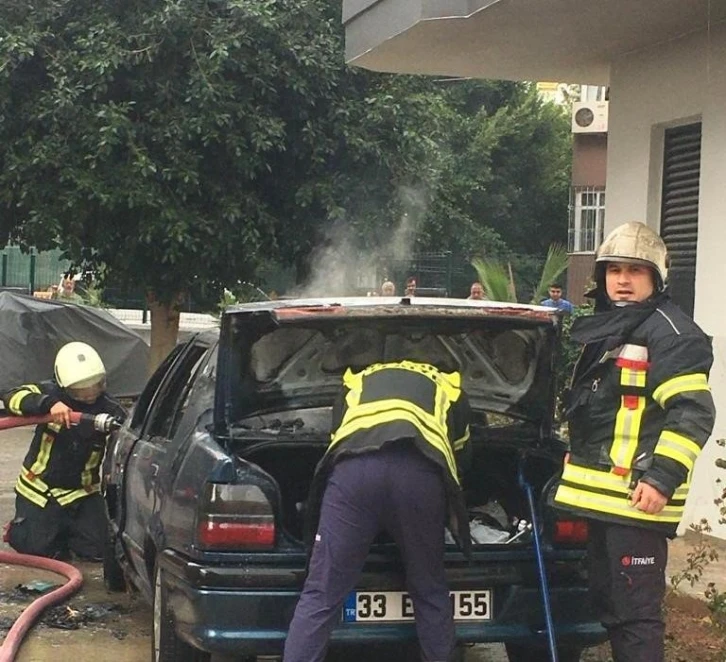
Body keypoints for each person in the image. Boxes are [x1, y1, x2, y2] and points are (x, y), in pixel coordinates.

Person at [551, 222, 716, 662]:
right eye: (614, 269)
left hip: (637, 503)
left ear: (656, 278)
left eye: (636, 271)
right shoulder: (612, 327)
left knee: (636, 618)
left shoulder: (670, 333)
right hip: (603, 501)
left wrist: (661, 479)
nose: (622, 280)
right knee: (612, 610)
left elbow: (693, 410)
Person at [283, 359, 472, 662]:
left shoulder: (356, 380)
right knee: (429, 590)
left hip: (355, 474)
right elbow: (461, 452)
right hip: (419, 475)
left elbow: (337, 438)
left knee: (321, 593)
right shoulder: (449, 385)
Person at [2, 342, 126, 560]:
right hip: (40, 490)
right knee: (40, 550)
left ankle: (70, 532)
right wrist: (48, 404)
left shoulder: (110, 409)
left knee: (101, 551)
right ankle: (21, 530)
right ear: (64, 385)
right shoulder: (49, 392)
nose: (89, 395)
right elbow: (11, 396)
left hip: (81, 492)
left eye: (95, 386)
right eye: (80, 390)